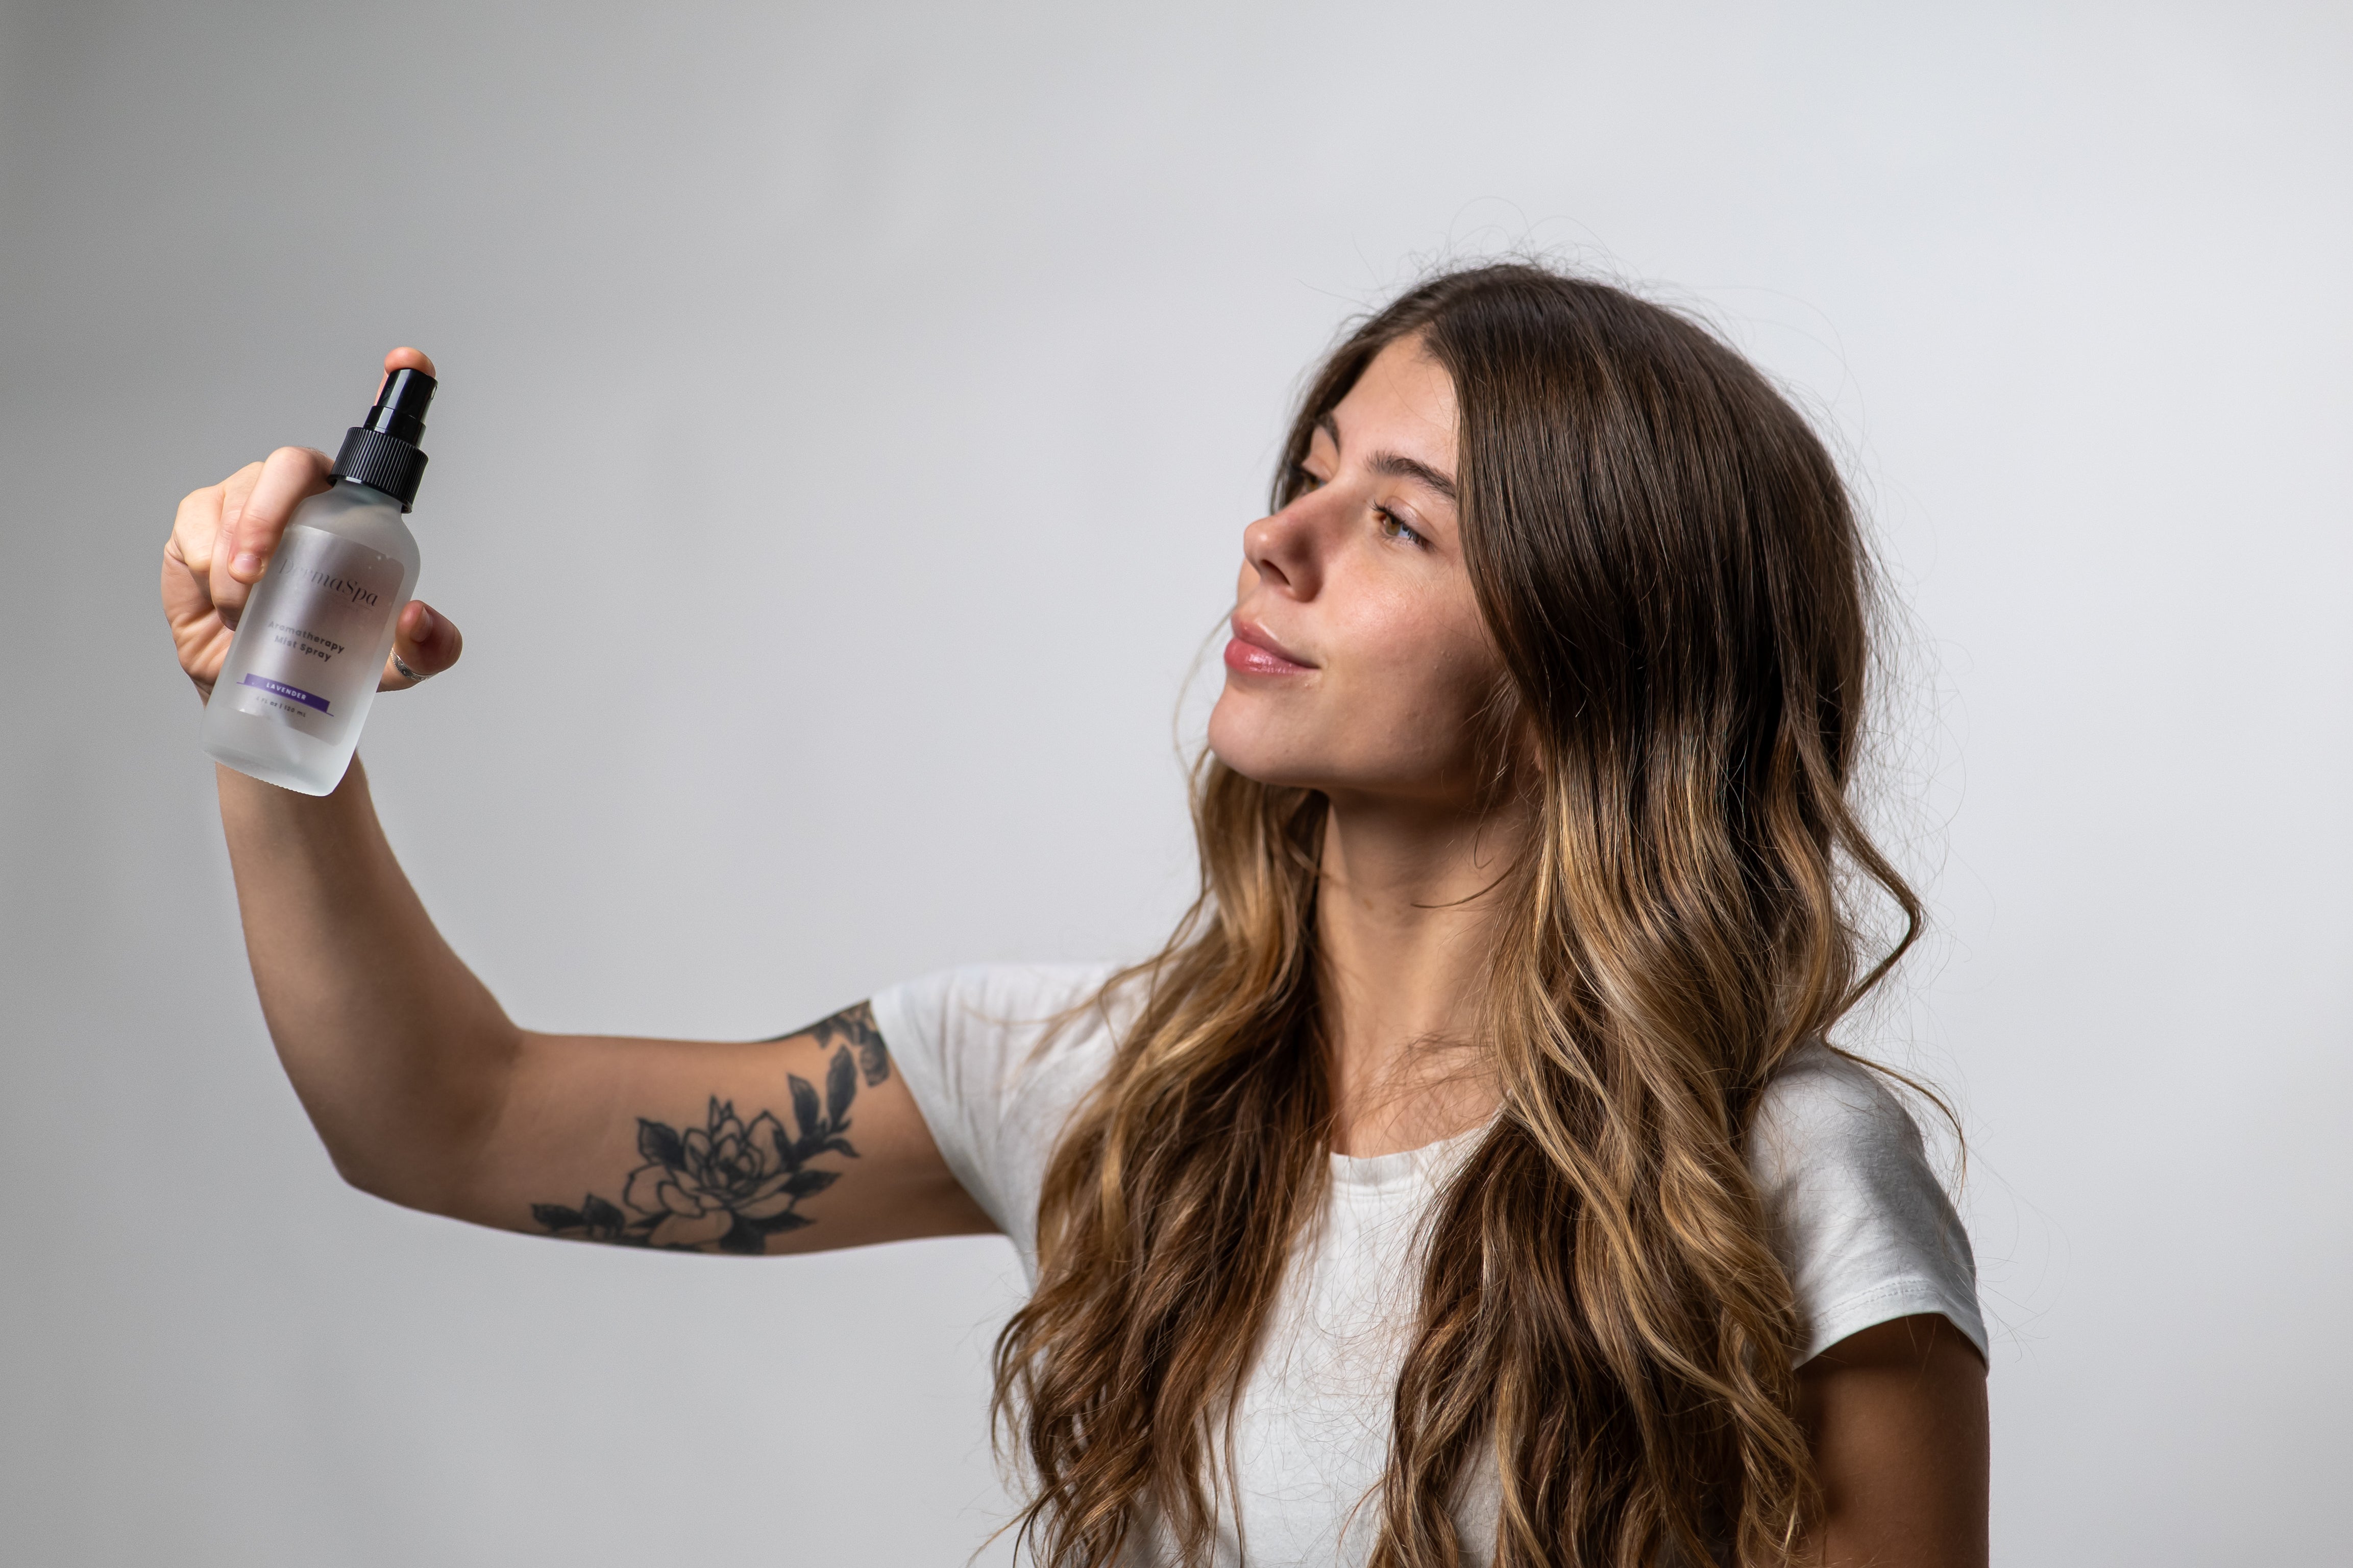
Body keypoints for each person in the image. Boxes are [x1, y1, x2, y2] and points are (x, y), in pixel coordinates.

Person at [161, 264, 1989, 1567]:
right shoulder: (1089, 1080)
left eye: (1404, 524)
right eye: (1311, 469)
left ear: (1593, 666)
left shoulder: (1780, 1171)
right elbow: (443, 1113)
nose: (1281, 539)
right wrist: (278, 716)